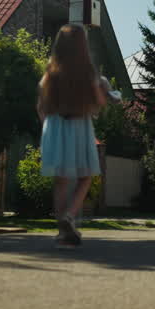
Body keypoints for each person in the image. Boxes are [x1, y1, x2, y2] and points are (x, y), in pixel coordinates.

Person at [36, 23, 113, 247]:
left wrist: (48, 130)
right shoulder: (88, 73)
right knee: (85, 176)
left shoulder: (50, 72)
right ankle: (70, 215)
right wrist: (105, 91)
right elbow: (98, 103)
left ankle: (62, 229)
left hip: (55, 126)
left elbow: (41, 106)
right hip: (79, 126)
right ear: (82, 46)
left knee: (60, 181)